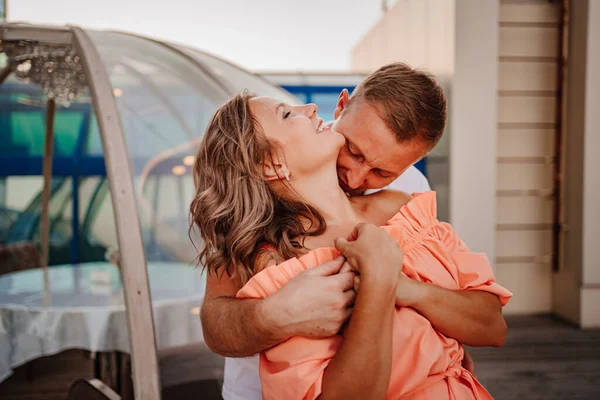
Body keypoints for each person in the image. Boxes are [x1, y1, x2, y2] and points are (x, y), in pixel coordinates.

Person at [197, 63, 507, 400]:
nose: (357, 180)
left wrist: (431, 334)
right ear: (341, 106)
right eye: (355, 152)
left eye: (383, 172)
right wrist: (275, 314)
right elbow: (217, 320)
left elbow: (487, 320)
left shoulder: (410, 196)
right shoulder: (268, 245)